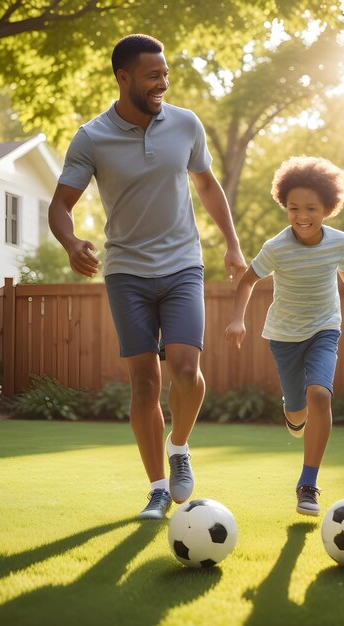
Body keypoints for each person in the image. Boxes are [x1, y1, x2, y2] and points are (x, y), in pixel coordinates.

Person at [49, 34, 247, 520]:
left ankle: (179, 446)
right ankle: (158, 488)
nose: (163, 83)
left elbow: (207, 184)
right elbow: (60, 206)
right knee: (143, 383)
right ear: (123, 78)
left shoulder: (185, 124)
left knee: (186, 370)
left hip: (182, 265)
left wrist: (233, 242)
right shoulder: (92, 137)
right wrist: (71, 243)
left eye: (165, 74)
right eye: (152, 75)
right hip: (126, 272)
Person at [225, 156, 344, 516]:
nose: (302, 216)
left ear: (328, 208)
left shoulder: (338, 242)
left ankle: (308, 485)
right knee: (298, 411)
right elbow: (248, 281)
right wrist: (238, 319)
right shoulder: (276, 247)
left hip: (325, 329)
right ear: (284, 205)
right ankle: (292, 412)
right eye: (293, 208)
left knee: (320, 395)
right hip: (283, 337)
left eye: (311, 208)